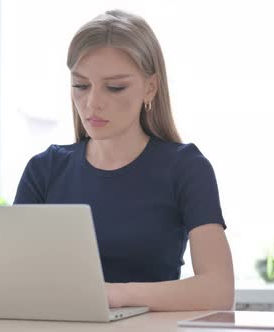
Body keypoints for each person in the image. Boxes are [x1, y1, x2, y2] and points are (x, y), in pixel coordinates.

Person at [13, 9, 234, 311]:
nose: (92, 103)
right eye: (80, 85)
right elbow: (12, 278)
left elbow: (218, 290)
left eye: (115, 87)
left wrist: (109, 295)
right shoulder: (45, 168)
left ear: (150, 87)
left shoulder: (186, 167)